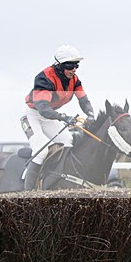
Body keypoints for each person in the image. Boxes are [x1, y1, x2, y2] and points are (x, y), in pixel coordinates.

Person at [23, 45, 96, 190]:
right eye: (70, 65)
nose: (74, 69)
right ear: (59, 65)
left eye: (76, 65)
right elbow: (43, 108)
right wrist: (63, 117)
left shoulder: (74, 80)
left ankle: (55, 178)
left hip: (50, 115)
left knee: (67, 141)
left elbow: (83, 100)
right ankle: (28, 193)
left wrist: (90, 115)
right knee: (41, 150)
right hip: (33, 115)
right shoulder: (44, 78)